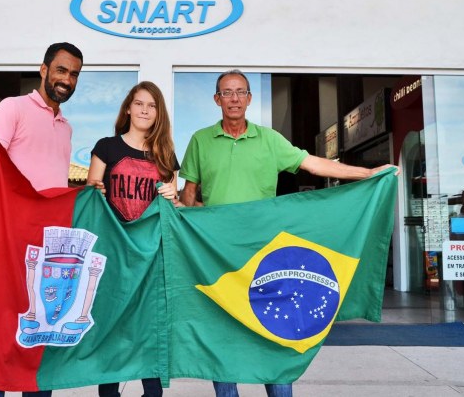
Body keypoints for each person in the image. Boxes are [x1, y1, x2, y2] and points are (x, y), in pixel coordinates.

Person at [179, 69, 396, 397]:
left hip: (265, 255)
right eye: (227, 92)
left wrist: (367, 173)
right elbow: (189, 196)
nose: (234, 98)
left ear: (249, 98)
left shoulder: (269, 140)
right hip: (218, 255)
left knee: (277, 332)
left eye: (240, 92)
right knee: (221, 336)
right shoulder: (200, 140)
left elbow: (313, 164)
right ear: (217, 99)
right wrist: (191, 220)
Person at [0, 41, 84, 397]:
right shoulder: (13, 108)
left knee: (39, 347)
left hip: (48, 253)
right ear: (44, 69)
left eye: (74, 74)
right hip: (8, 249)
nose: (67, 79)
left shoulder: (66, 128)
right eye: (61, 70)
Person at [86, 81, 179, 397]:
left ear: (158, 113)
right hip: (113, 255)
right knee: (113, 329)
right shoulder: (106, 147)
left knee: (149, 332)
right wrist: (95, 189)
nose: (144, 110)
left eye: (152, 105)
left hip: (151, 258)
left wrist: (173, 197)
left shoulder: (166, 156)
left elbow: (173, 211)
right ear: (128, 108)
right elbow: (90, 198)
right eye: (139, 103)